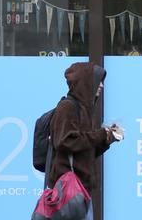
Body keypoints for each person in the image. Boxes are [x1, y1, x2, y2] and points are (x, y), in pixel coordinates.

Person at [48, 62, 123, 219]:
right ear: (86, 83)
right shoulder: (67, 107)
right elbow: (65, 141)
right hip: (68, 192)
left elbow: (84, 149)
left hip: (81, 191)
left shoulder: (85, 110)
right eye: (97, 81)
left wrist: (107, 138)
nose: (101, 86)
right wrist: (101, 134)